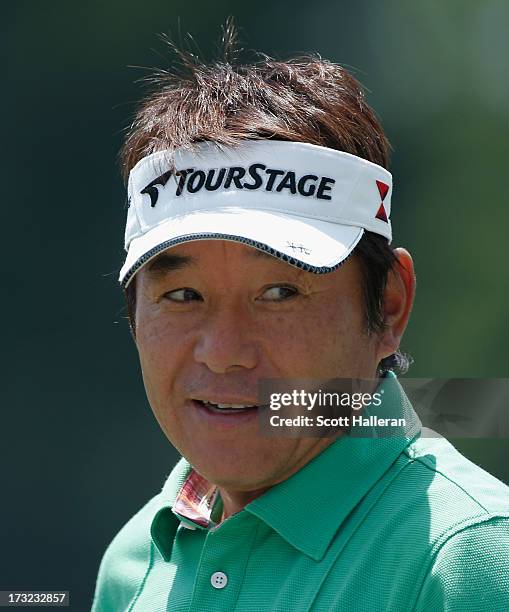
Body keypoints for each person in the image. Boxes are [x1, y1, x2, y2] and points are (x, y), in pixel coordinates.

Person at [92, 26, 509, 612]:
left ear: (389, 304)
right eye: (183, 295)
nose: (223, 350)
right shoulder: (135, 563)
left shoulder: (472, 560)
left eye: (280, 291)